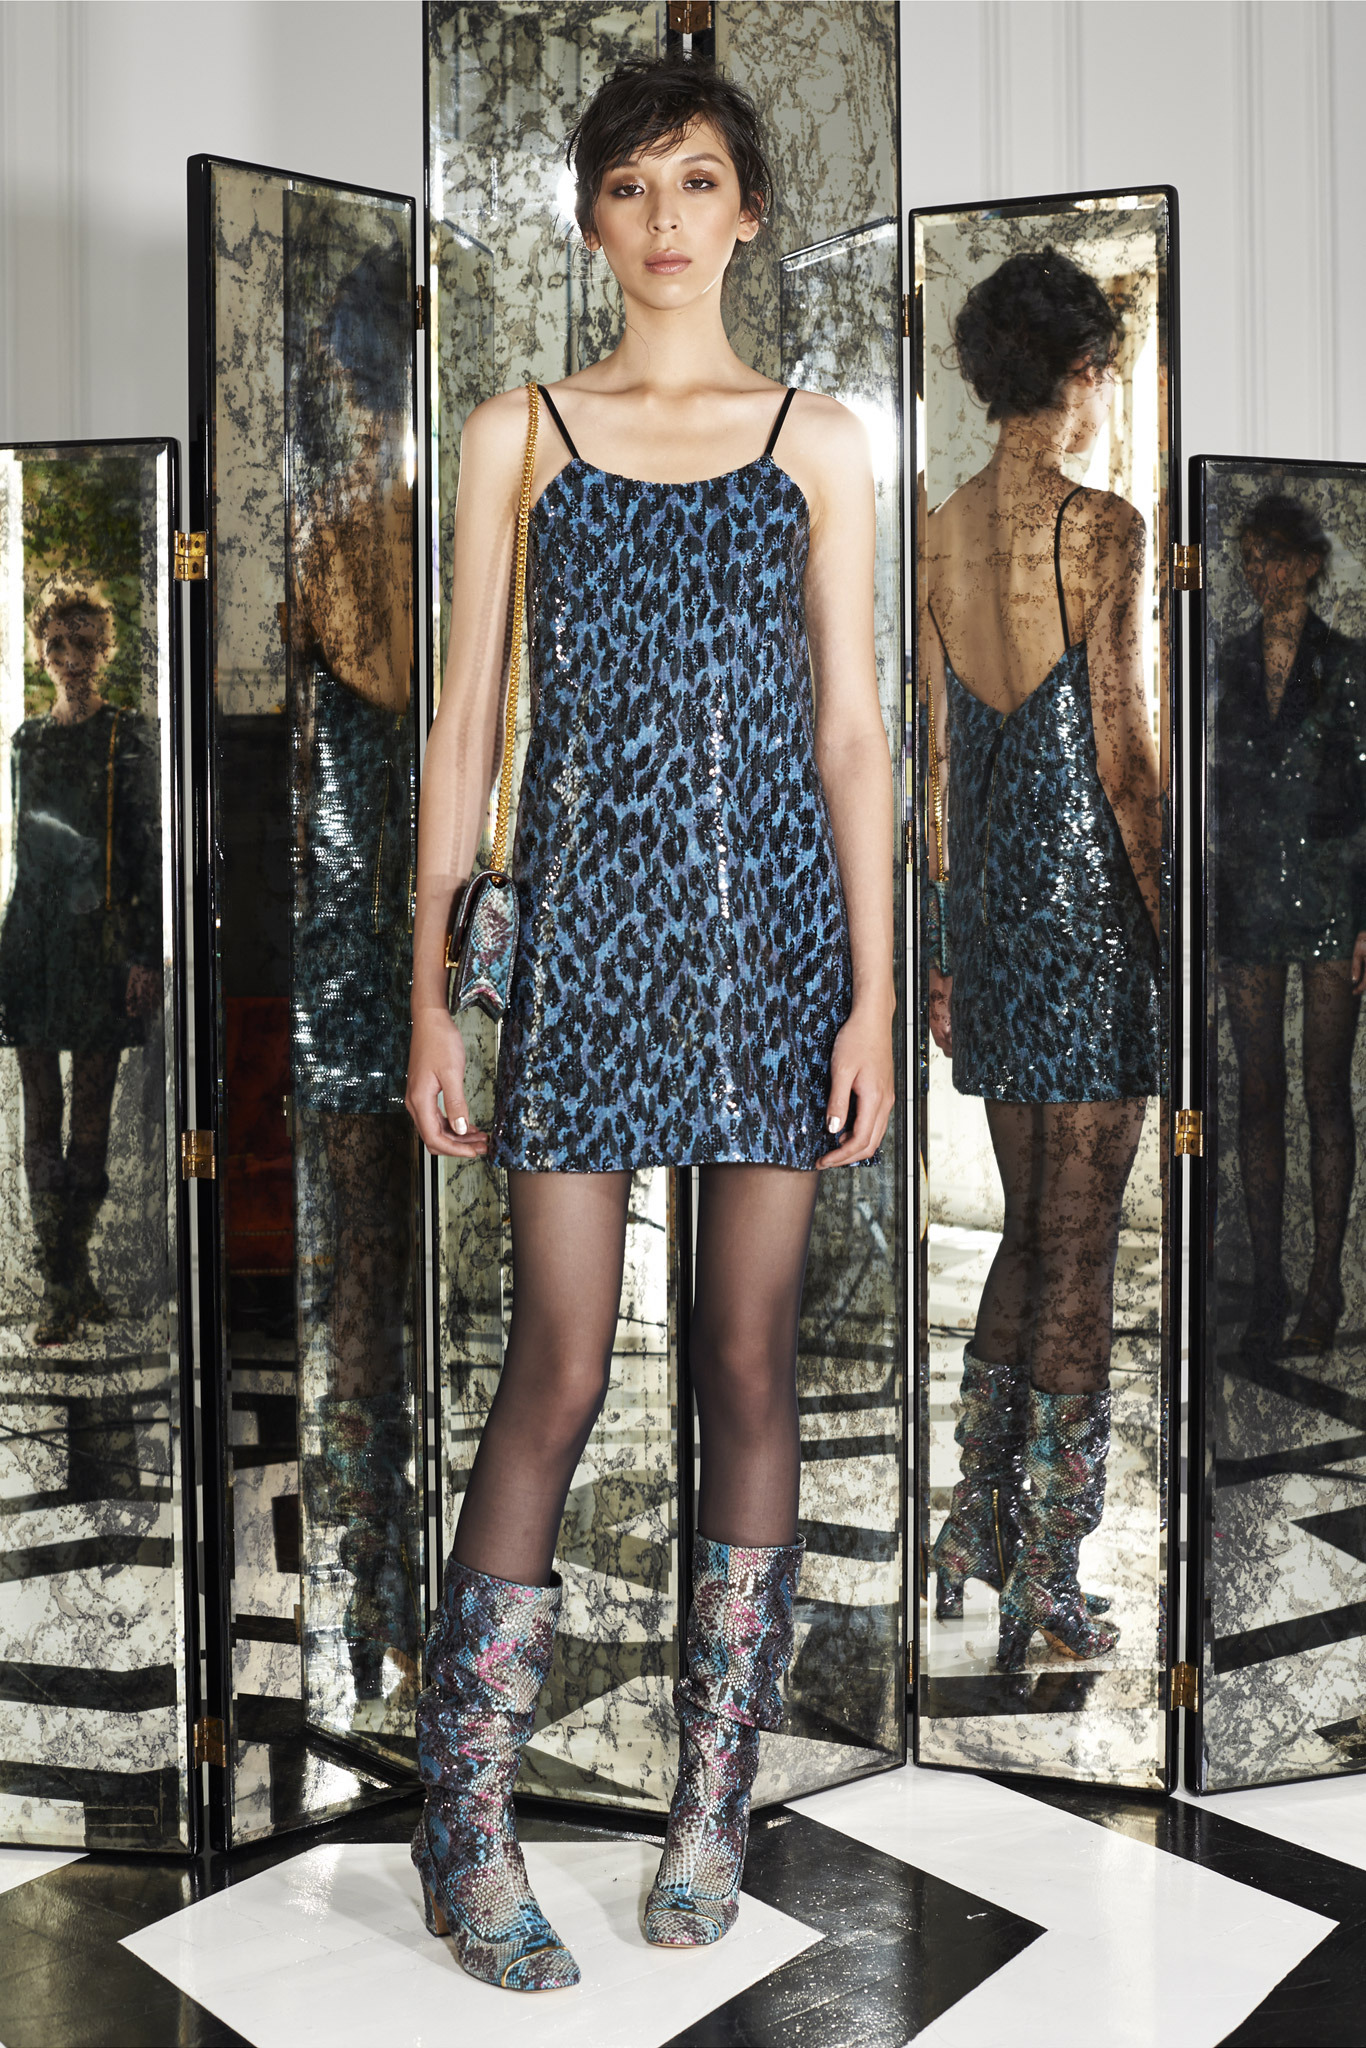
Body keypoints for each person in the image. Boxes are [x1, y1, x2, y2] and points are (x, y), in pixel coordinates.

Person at [404, 55, 893, 1994]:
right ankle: (464, 1822)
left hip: (774, 946)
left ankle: (713, 1808)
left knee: (748, 1362)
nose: (666, 216)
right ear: (590, 218)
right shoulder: (517, 431)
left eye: (697, 179)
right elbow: (466, 723)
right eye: (629, 185)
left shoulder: (817, 441)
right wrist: (435, 994)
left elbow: (851, 734)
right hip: (584, 945)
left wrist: (872, 986)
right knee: (557, 1359)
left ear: (744, 210)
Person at [923, 248, 1162, 1674]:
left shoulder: (940, 528)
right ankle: (1050, 1580)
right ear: (1076, 374)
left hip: (995, 925)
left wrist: (944, 949)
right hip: (1089, 920)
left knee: (1027, 1232)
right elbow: (1123, 754)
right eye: (1100, 373)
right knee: (1080, 1256)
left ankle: (974, 1522)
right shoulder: (1102, 527)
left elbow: (936, 776)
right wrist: (1170, 915)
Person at [287, 228, 422, 1715]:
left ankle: (370, 1586)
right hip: (442, 938)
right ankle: (404, 1588)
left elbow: (323, 747)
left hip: (346, 937)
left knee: (363, 1278)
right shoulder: (460, 527)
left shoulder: (330, 533)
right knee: (473, 1286)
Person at [1215, 494, 1366, 1358]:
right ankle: (1270, 1285)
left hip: (1332, 892)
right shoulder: (1229, 660)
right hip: (1246, 895)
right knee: (1258, 1094)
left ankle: (1323, 1289)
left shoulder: (1348, 663)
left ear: (1308, 563)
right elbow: (1215, 786)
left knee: (1324, 1091)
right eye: (1247, 556)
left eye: (1269, 554)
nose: (1256, 570)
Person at [0, 579, 159, 1346]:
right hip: (31, 941)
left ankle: (74, 1269)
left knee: (91, 1111)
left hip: (100, 942)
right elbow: (25, 849)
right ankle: (60, 1284)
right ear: (41, 651)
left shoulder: (130, 735)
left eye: (84, 643)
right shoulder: (26, 741)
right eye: (57, 643)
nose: (69, 657)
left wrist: (144, 953)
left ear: (105, 650)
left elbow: (147, 851)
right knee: (42, 1112)